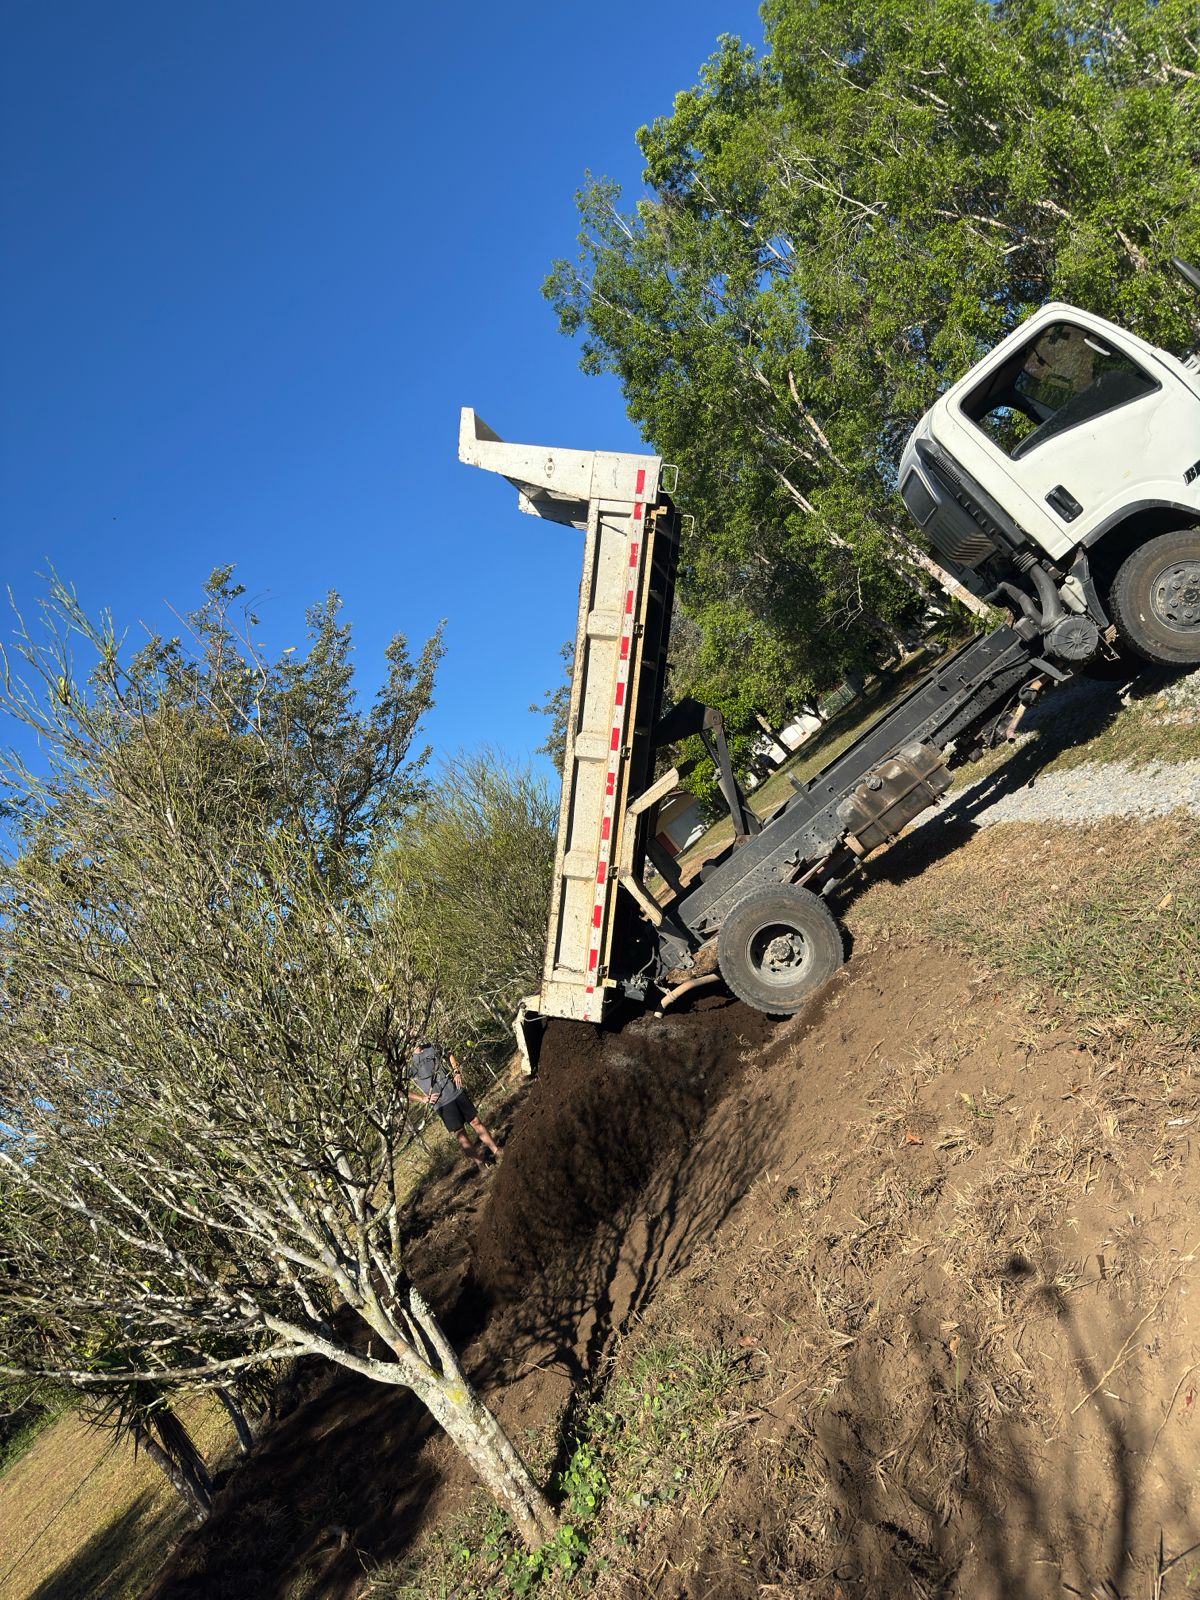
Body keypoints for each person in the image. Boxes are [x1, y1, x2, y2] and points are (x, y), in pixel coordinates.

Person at [408, 1039, 502, 1170]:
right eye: (411, 1031)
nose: (414, 1032)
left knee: (475, 1121)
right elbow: (400, 1090)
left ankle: (497, 1151)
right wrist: (423, 1098)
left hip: (455, 1091)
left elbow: (449, 1054)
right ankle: (481, 1164)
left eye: (415, 1030)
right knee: (460, 1133)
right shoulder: (409, 1063)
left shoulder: (432, 1046)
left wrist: (456, 1071)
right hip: (441, 1103)